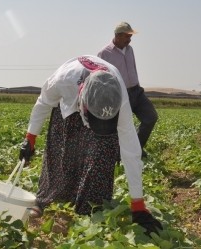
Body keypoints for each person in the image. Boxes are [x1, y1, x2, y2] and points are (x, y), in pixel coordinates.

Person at [19, 55, 162, 235]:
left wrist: (138, 205)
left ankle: (89, 209)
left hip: (98, 103)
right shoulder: (63, 80)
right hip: (68, 106)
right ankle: (45, 200)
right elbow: (43, 103)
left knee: (103, 154)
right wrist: (30, 138)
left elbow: (131, 150)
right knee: (61, 150)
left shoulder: (119, 98)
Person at [97, 22, 158, 158]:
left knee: (151, 117)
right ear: (117, 36)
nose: (130, 39)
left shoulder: (130, 49)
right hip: (121, 94)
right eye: (127, 36)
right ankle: (119, 155)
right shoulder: (104, 54)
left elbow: (133, 69)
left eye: (130, 36)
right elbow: (100, 78)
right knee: (123, 127)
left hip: (137, 91)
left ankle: (137, 148)